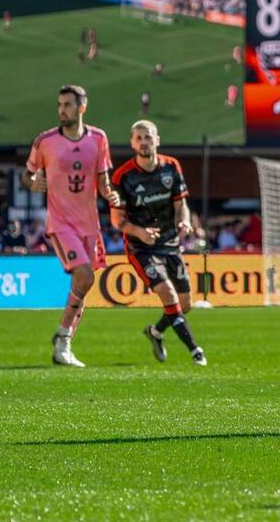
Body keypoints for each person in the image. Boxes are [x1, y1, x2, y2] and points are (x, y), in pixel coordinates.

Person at [22, 84, 120, 367]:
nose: (61, 110)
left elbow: (102, 181)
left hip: (89, 224)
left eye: (67, 104)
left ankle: (64, 342)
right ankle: (63, 340)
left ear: (81, 107)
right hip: (61, 223)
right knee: (85, 276)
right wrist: (32, 183)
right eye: (59, 104)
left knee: (84, 282)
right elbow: (26, 176)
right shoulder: (46, 141)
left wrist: (111, 194)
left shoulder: (99, 139)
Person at [110, 120, 207, 366]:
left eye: (148, 137)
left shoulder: (171, 166)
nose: (144, 142)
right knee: (168, 293)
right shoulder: (123, 176)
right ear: (132, 143)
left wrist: (184, 221)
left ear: (157, 140)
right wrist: (140, 232)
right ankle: (195, 350)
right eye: (139, 138)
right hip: (140, 247)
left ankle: (155, 332)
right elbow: (117, 220)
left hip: (170, 243)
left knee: (185, 304)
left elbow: (180, 204)